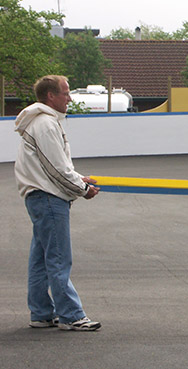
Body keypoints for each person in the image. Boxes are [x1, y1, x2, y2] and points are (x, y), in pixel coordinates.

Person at [14, 75, 102, 331]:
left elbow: (55, 166)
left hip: (40, 196)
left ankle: (41, 312)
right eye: (65, 93)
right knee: (59, 258)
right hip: (49, 197)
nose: (69, 98)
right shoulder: (46, 124)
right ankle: (71, 315)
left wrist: (77, 178)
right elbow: (56, 168)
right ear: (51, 96)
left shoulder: (41, 123)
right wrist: (83, 188)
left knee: (41, 258)